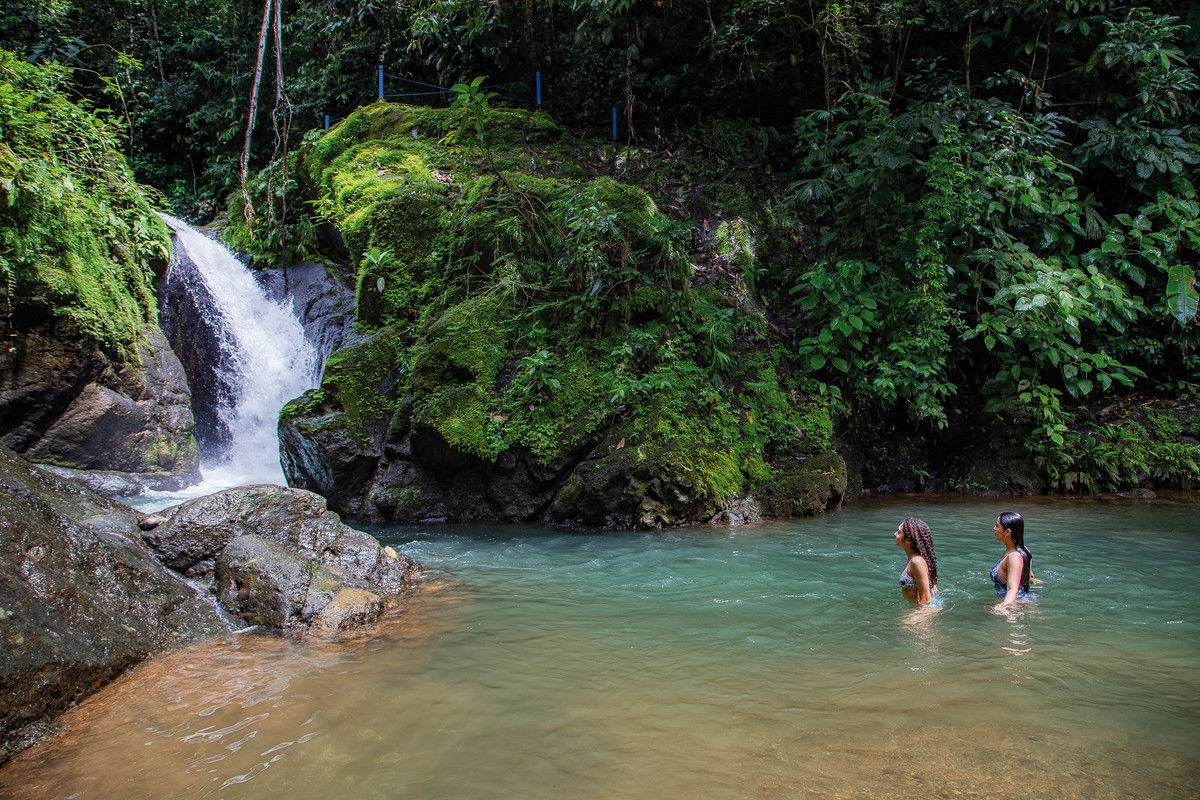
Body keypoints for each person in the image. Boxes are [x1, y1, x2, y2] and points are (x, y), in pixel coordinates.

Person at [991, 511, 1037, 604]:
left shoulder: (1014, 557)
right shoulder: (1024, 551)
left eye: (997, 526)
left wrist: (1003, 606)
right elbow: (1030, 577)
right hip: (1023, 600)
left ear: (1007, 532)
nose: (994, 528)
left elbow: (1013, 590)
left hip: (1015, 604)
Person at [895, 517, 939, 606]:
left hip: (922, 611)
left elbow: (926, 601)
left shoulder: (917, 562)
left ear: (908, 540)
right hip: (915, 609)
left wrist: (914, 619)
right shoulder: (913, 560)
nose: (895, 534)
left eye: (899, 532)